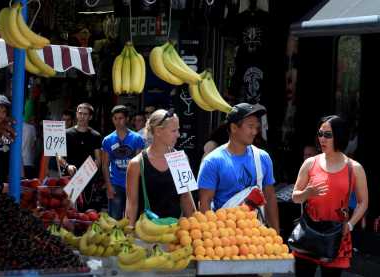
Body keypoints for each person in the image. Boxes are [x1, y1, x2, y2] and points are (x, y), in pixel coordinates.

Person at [292, 115, 368, 277]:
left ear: (339, 136)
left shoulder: (354, 168)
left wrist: (351, 225)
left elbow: (363, 203)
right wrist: (307, 193)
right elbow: (295, 197)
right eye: (320, 134)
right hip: (309, 233)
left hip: (337, 236)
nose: (322, 139)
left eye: (328, 135)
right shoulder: (310, 163)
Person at [198, 103, 280, 232]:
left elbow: (269, 197)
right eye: (250, 126)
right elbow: (204, 202)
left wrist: (276, 234)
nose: (255, 132)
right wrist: (210, 237)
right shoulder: (212, 161)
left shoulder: (263, 158)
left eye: (256, 127)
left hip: (256, 237)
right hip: (224, 236)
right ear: (234, 127)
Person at [125, 109, 194, 226]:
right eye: (174, 130)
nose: (178, 134)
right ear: (158, 131)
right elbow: (131, 204)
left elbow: (186, 197)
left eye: (178, 130)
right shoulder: (136, 164)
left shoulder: (180, 159)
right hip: (145, 235)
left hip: (174, 234)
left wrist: (195, 228)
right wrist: (128, 233)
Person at [102, 105, 145, 219]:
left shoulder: (137, 138)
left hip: (133, 184)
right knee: (114, 220)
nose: (118, 121)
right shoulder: (108, 140)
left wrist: (139, 186)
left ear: (127, 119)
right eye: (115, 118)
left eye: (121, 118)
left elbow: (140, 164)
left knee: (131, 219)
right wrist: (108, 186)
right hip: (115, 183)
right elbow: (105, 165)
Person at [57, 103, 102, 210]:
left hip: (87, 179)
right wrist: (67, 166)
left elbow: (98, 159)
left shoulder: (95, 136)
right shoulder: (66, 133)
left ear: (90, 117)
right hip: (69, 178)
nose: (82, 116)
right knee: (68, 211)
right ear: (76, 114)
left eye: (85, 114)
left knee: (86, 212)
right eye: (80, 113)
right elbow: (58, 156)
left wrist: (91, 170)